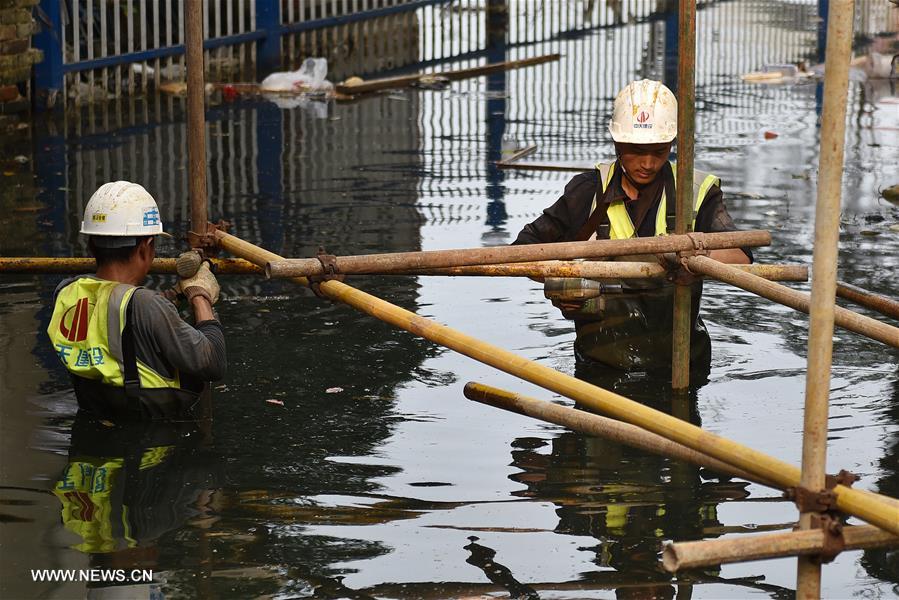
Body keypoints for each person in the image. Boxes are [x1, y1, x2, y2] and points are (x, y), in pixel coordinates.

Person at [513, 80, 751, 372]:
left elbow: (741, 256)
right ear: (617, 143)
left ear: (673, 144)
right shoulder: (588, 192)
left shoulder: (695, 191)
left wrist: (697, 259)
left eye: (659, 151)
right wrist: (564, 282)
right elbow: (521, 254)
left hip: (681, 367)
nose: (648, 163)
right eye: (636, 151)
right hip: (600, 366)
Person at [47, 181, 226, 420]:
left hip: (94, 415)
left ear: (90, 244)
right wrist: (200, 295)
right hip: (155, 438)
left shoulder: (67, 291)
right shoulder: (145, 305)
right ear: (146, 247)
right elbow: (213, 361)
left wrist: (176, 294)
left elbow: (120, 316)